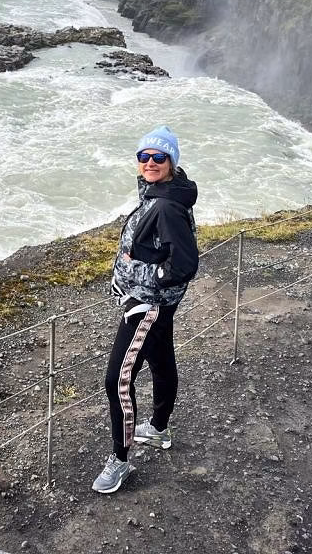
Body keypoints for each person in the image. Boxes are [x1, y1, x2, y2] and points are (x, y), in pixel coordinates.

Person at [92, 126, 199, 494]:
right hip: (155, 302)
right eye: (144, 156)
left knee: (116, 381)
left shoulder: (167, 205)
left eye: (159, 157)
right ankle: (158, 428)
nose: (150, 163)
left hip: (147, 304)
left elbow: (183, 266)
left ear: (172, 162)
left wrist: (133, 270)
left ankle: (120, 461)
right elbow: (158, 251)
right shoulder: (163, 192)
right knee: (162, 360)